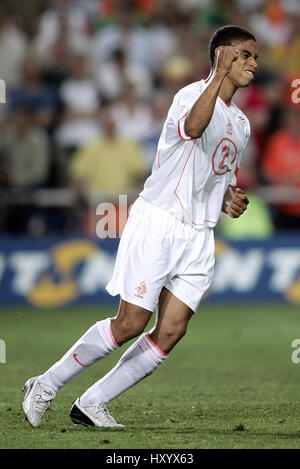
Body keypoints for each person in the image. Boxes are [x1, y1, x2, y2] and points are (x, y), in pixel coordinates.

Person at [22, 25, 257, 428]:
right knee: (130, 323)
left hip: (199, 235)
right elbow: (194, 129)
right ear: (223, 55)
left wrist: (227, 197)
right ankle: (44, 384)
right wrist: (216, 76)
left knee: (171, 330)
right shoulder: (190, 96)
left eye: (255, 56)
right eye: (246, 55)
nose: (254, 63)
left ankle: (92, 402)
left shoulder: (242, 124)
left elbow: (214, 175)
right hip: (160, 221)